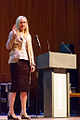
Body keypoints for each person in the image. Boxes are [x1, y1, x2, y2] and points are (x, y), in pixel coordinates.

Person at [6, 16, 35, 120]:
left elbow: (30, 50)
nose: (23, 24)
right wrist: (13, 36)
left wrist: (32, 63)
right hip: (16, 62)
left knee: (24, 89)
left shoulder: (28, 35)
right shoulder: (13, 33)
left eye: (25, 22)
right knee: (14, 87)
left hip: (25, 62)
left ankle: (23, 112)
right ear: (17, 23)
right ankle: (11, 112)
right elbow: (8, 47)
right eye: (21, 22)